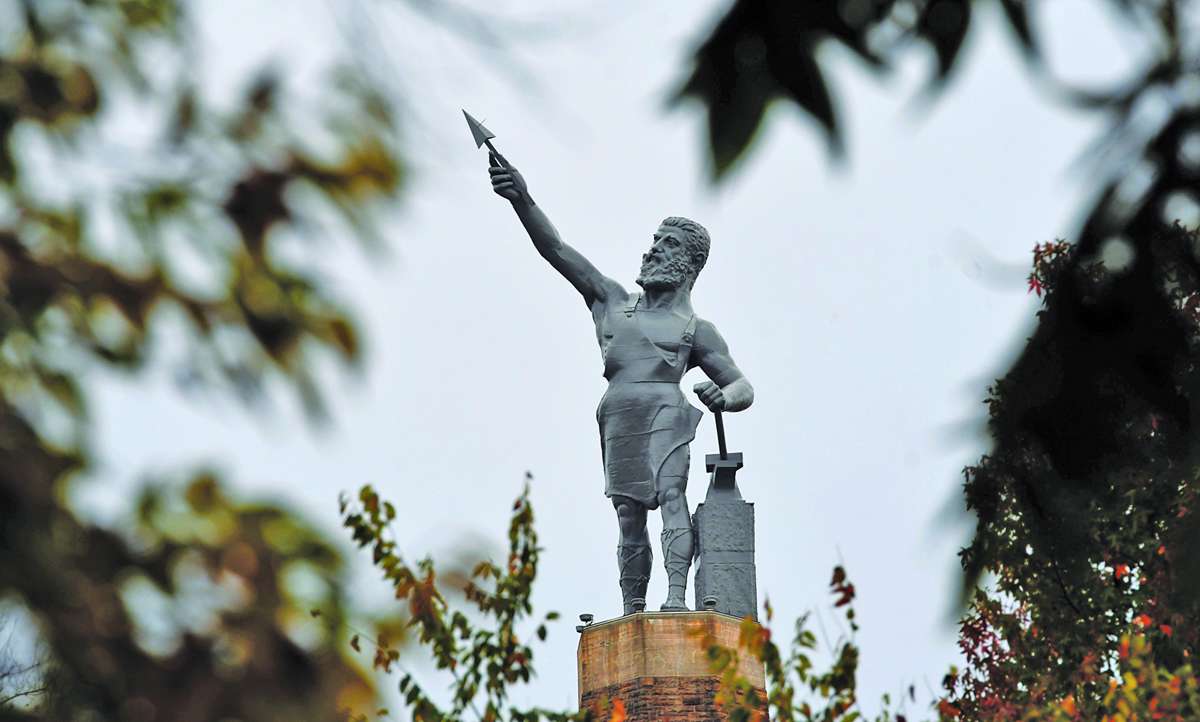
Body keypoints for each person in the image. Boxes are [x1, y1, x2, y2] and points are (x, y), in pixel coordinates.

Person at [489, 152, 753, 614]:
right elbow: (556, 249)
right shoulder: (611, 301)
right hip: (619, 416)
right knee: (628, 515)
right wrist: (522, 199)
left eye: (667, 244)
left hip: (666, 414)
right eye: (654, 241)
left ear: (690, 262)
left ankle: (675, 597)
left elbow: (742, 386)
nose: (653, 250)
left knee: (672, 496)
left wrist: (723, 397)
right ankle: (633, 606)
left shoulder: (696, 330)